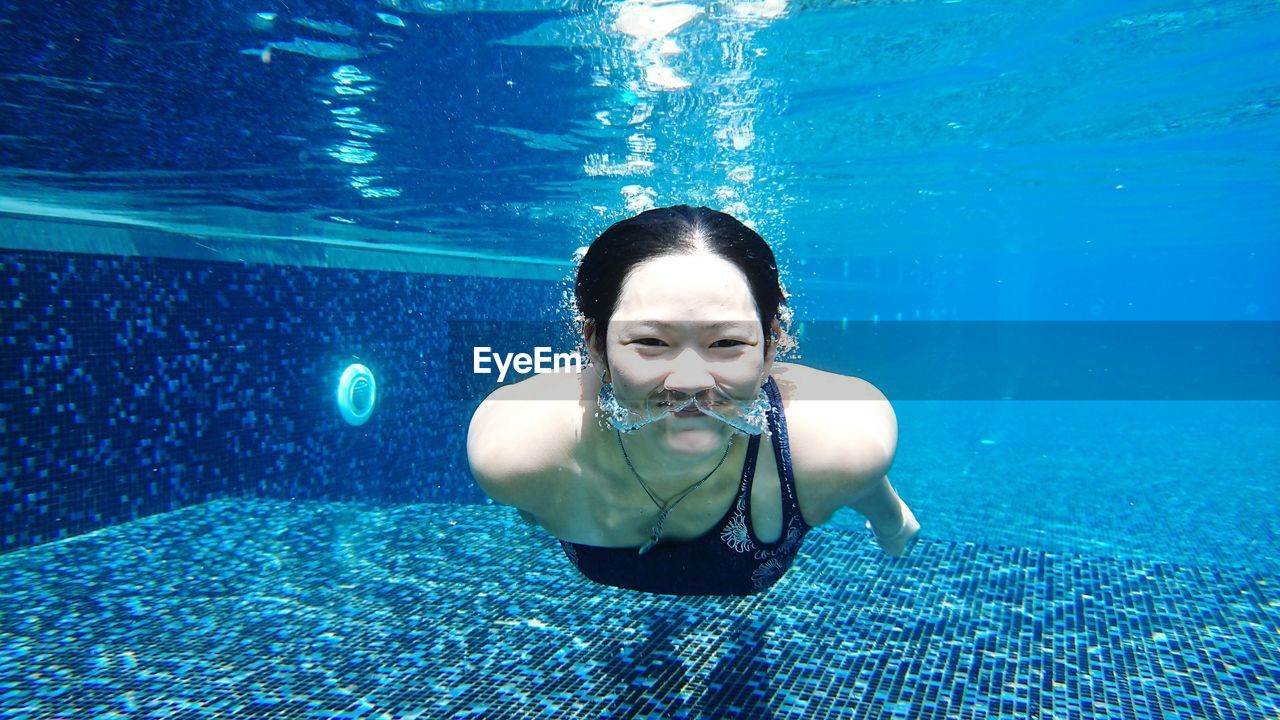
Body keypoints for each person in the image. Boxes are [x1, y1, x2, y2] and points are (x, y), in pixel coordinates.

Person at [467, 205, 919, 596]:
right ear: (596, 345)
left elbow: (853, 469)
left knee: (854, 476)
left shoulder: (840, 440)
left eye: (725, 343)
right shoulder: (520, 451)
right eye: (649, 341)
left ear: (771, 346)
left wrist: (890, 520)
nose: (688, 382)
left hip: (811, 456)